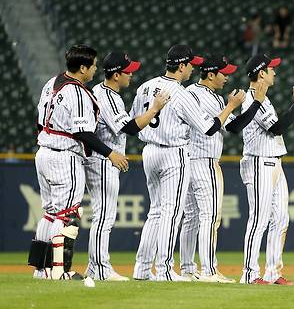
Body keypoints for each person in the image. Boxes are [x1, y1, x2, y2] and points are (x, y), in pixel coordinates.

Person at [131, 44, 245, 281]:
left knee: (156, 212)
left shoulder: (145, 87)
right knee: (172, 214)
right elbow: (210, 128)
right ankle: (164, 270)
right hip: (174, 153)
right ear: (181, 66)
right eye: (190, 65)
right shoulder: (181, 93)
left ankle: (142, 269)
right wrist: (231, 106)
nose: (193, 69)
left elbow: (135, 123)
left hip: (149, 151)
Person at [29, 45, 128, 280]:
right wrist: (110, 153)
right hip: (64, 155)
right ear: (82, 67)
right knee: (67, 214)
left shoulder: (52, 83)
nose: (95, 69)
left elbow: (39, 119)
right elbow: (84, 133)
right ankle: (60, 270)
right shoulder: (78, 93)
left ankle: (41, 270)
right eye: (93, 65)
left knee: (50, 213)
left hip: (44, 151)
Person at [178, 54, 264, 283]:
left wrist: (254, 104)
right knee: (210, 216)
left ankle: (188, 269)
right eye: (223, 73)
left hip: (187, 160)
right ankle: (208, 270)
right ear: (210, 74)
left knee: (192, 218)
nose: (227, 77)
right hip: (204, 160)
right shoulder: (204, 97)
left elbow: (234, 126)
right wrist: (234, 105)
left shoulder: (197, 95)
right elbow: (220, 128)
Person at [84, 52, 170, 281]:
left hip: (103, 157)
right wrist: (154, 109)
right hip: (103, 159)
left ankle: (95, 267)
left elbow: (129, 123)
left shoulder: (105, 93)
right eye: (127, 71)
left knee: (103, 216)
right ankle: (100, 268)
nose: (131, 74)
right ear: (115, 74)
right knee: (104, 217)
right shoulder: (108, 97)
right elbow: (130, 129)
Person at [239, 54, 294, 285]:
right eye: (271, 69)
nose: (274, 73)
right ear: (261, 73)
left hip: (274, 161)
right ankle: (250, 274)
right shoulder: (252, 99)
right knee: (259, 219)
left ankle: (273, 272)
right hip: (259, 162)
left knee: (281, 219)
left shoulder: (263, 99)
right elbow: (277, 128)